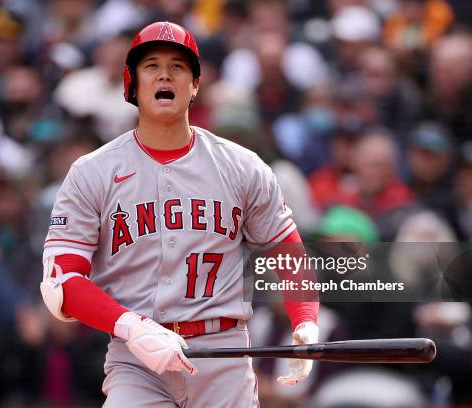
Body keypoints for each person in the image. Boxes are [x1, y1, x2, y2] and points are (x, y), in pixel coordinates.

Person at [41, 22, 319, 407]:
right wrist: (132, 327)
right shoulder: (92, 172)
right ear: (132, 84)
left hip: (223, 355)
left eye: (178, 66)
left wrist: (305, 319)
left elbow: (288, 252)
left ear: (195, 84)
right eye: (151, 65)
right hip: (136, 358)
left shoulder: (242, 166)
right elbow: (61, 282)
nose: (165, 74)